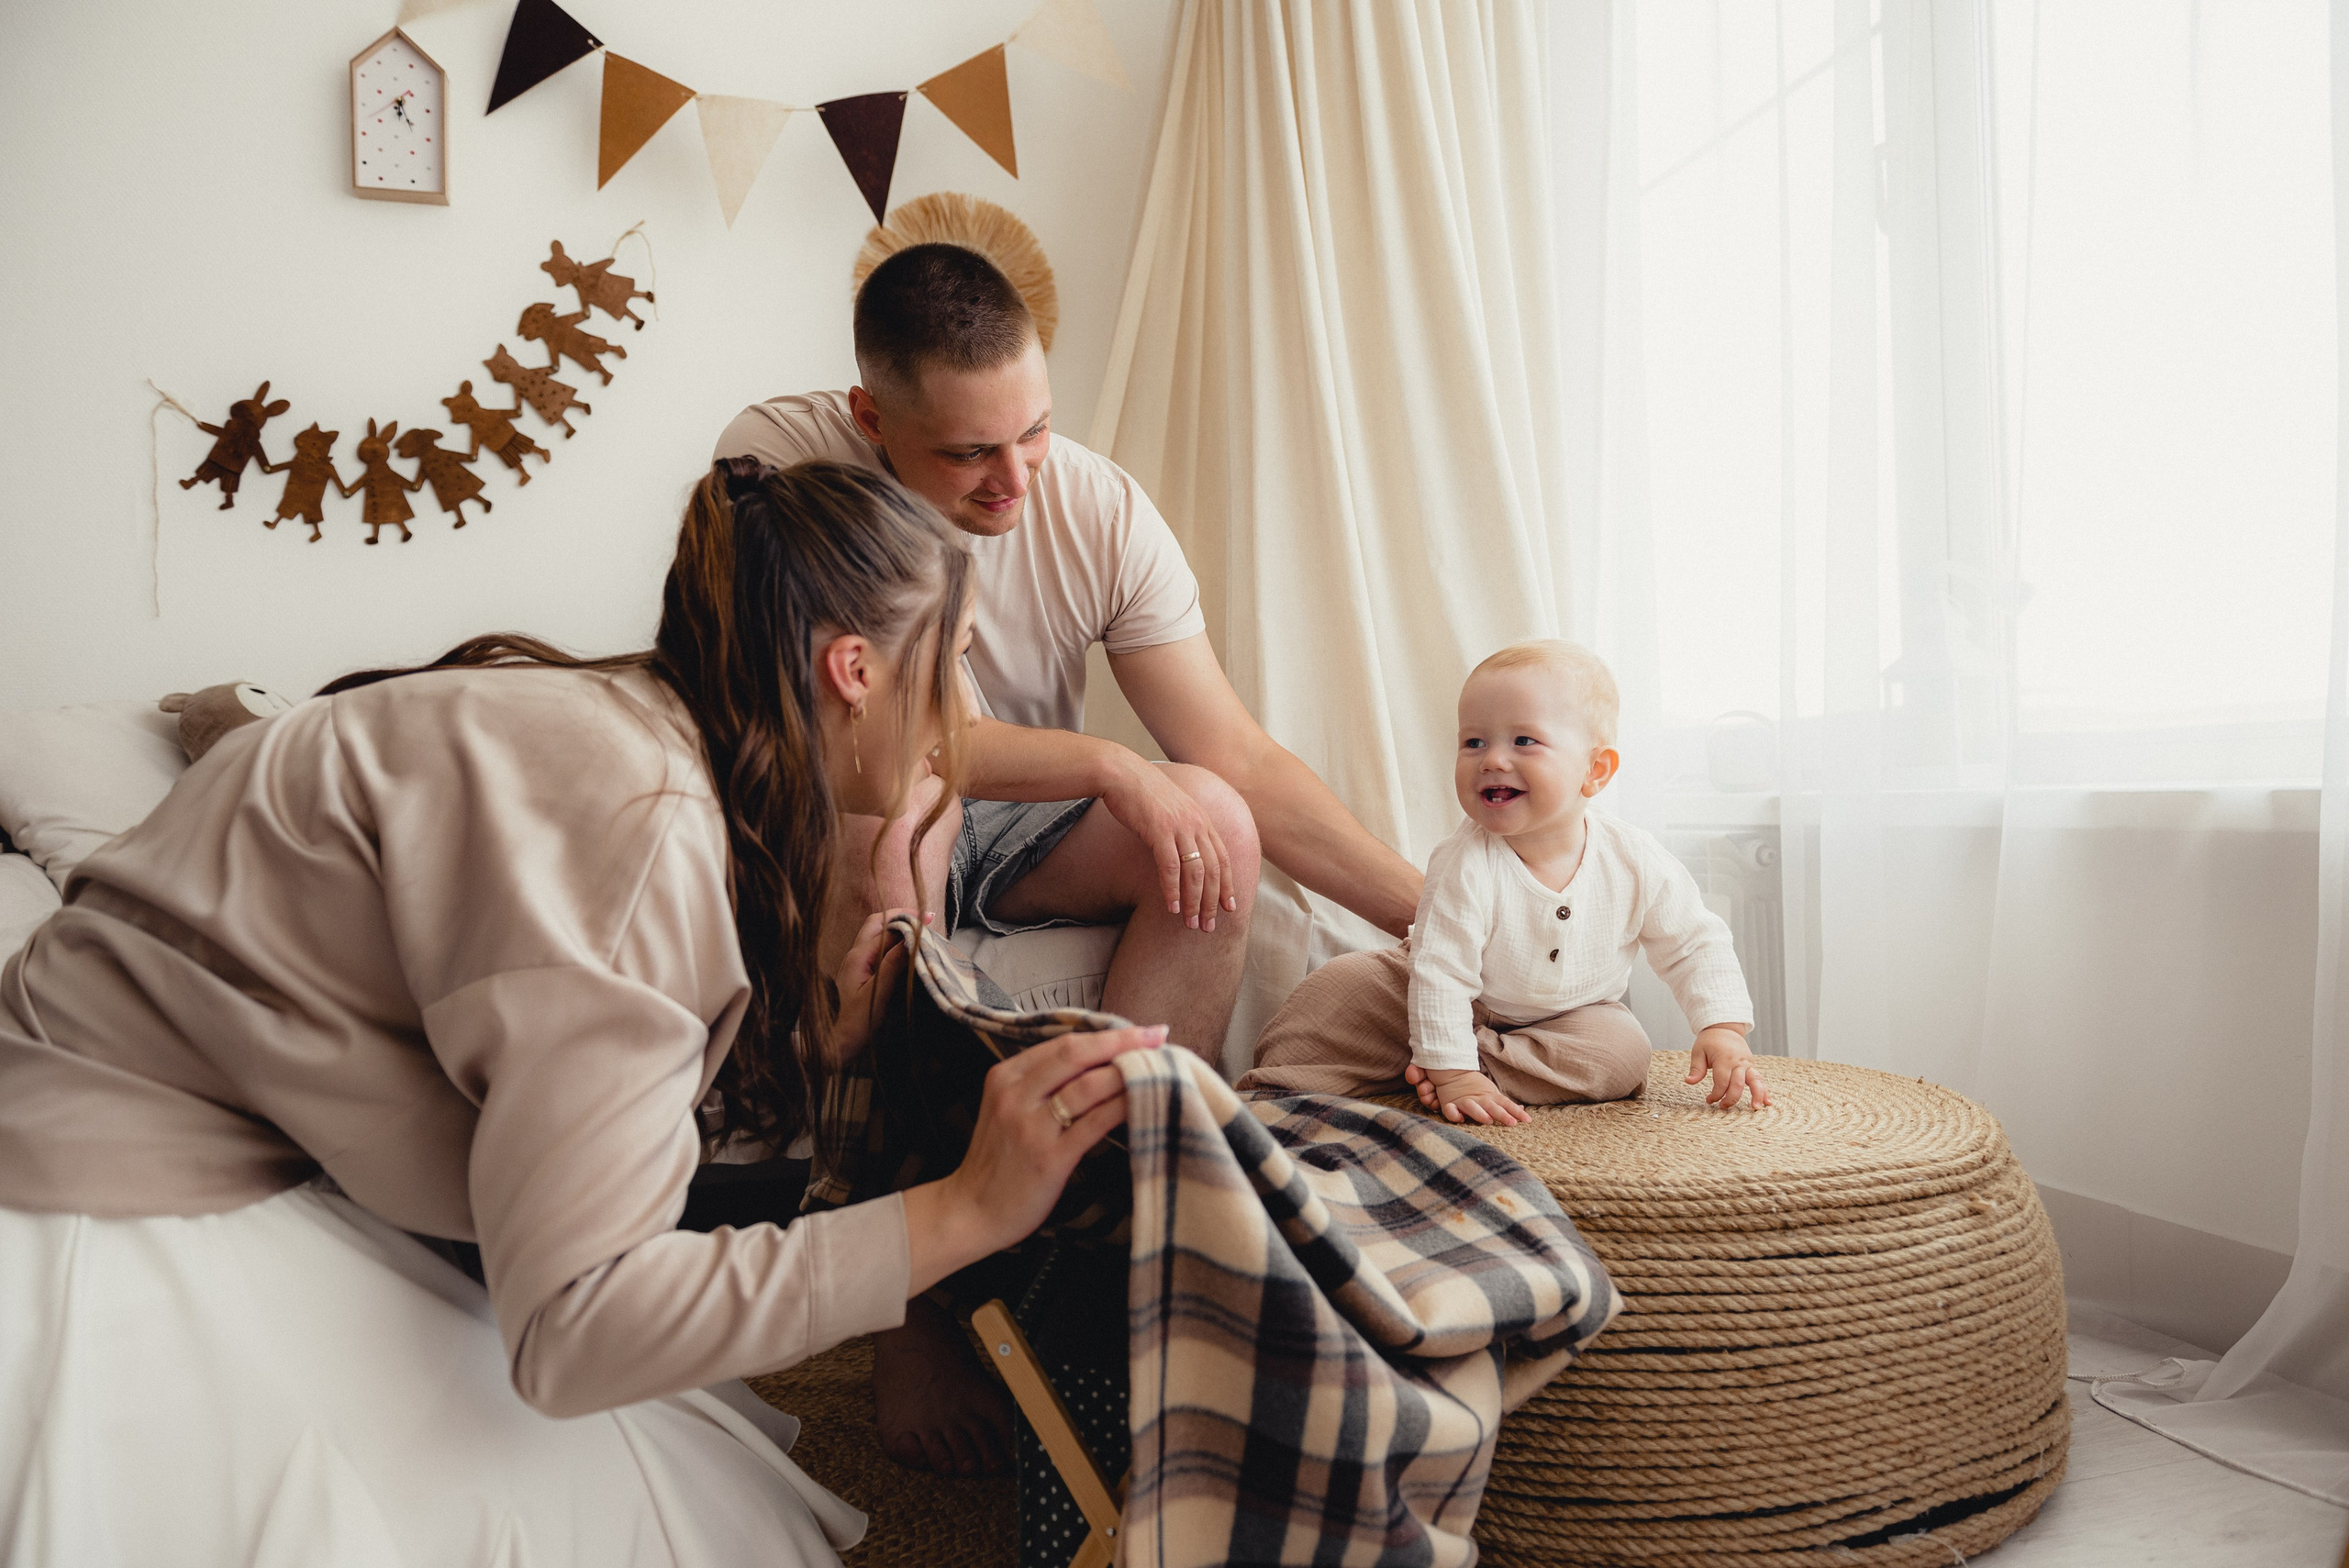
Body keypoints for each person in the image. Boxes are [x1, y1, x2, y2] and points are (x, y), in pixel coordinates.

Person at [0, 459, 1152, 1568]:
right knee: (596, 1508)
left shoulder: (630, 729)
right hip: (100, 1167)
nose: (958, 714)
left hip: (185, 1098)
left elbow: (574, 1111)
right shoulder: (638, 820)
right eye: (950, 662)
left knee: (672, 1477)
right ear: (853, 669)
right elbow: (579, 1324)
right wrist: (963, 1211)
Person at [717, 242, 1425, 1476]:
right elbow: (863, 735)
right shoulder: (780, 460)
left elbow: (1237, 756)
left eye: (1032, 431)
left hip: (1015, 825)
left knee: (1210, 813)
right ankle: (909, 1298)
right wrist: (1105, 764)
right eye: (969, 454)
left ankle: (1122, 1230)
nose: (1013, 478)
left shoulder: (1090, 501)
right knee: (895, 830)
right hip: (852, 805)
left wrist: (1446, 921)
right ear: (872, 417)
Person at [1240, 639, 1771, 1120]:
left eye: (1523, 741)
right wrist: (1452, 1068)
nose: (1492, 760)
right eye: (1473, 742)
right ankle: (1300, 1089)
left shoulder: (1634, 858)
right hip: (1428, 985)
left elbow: (1693, 942)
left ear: (1596, 771)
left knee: (1622, 1054)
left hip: (1568, 1017)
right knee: (1335, 991)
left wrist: (1721, 1025)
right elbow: (1441, 974)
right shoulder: (1466, 861)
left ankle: (1449, 1063)